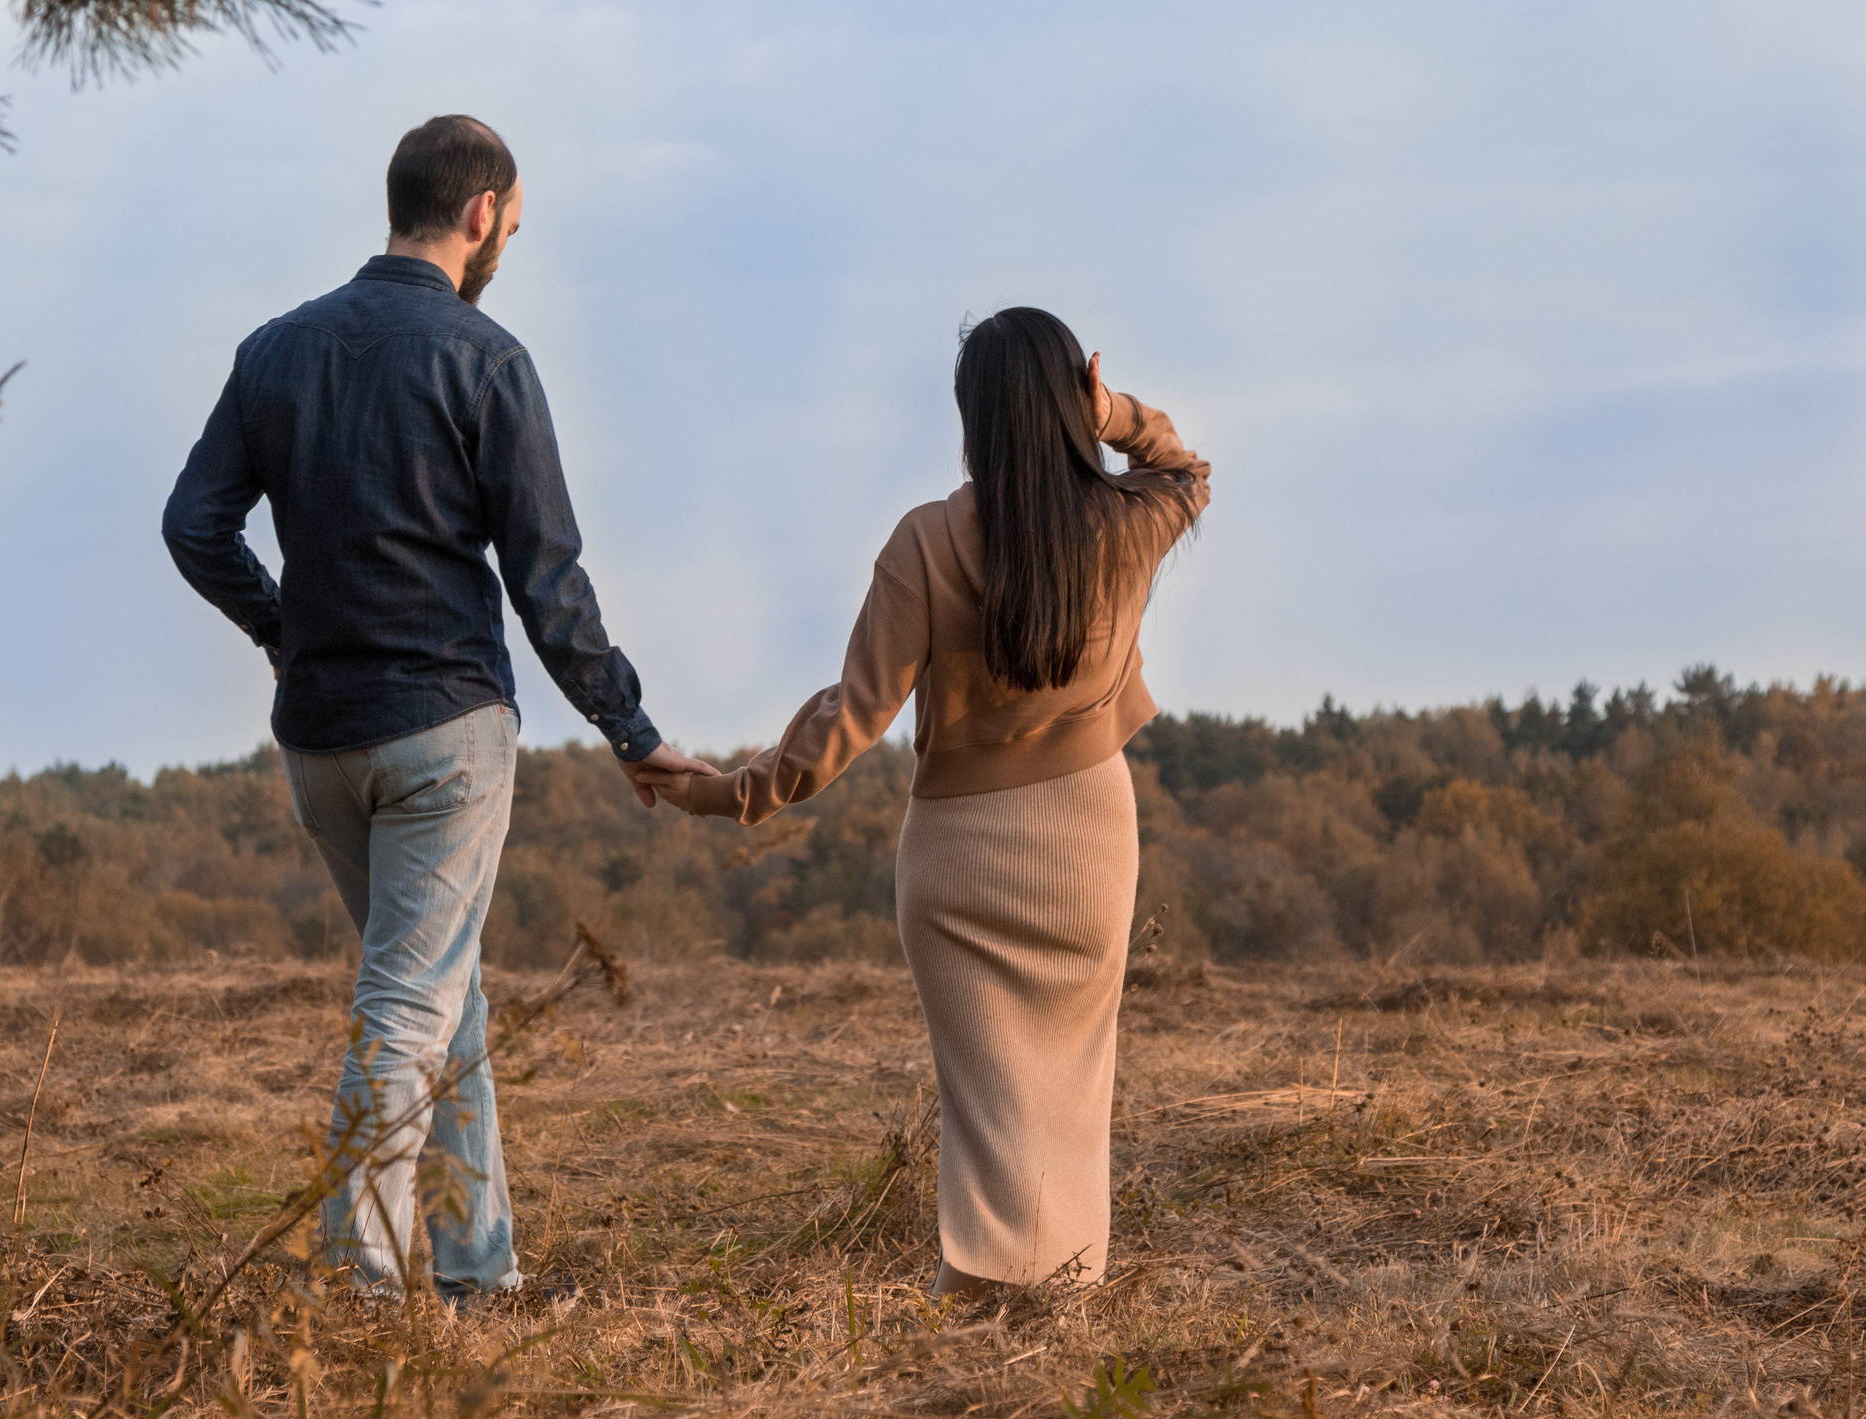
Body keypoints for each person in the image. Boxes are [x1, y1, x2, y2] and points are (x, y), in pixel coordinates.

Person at [161, 114, 717, 1300]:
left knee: (437, 990)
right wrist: (632, 730)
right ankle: (360, 1292)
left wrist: (278, 627)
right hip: (443, 735)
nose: (511, 237)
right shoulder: (489, 359)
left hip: (319, 740)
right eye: (513, 220)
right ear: (480, 214)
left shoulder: (273, 350)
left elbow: (192, 526)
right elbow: (547, 583)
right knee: (411, 1000)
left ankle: (476, 1272)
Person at [638, 307, 1209, 1295]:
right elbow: (1185, 472)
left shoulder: (926, 540)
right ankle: (1063, 1300)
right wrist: (1115, 414)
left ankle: (980, 1302)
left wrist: (722, 795)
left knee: (988, 1103)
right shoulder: (1125, 526)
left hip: (955, 863)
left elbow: (846, 720)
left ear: (971, 415)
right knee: (1073, 1093)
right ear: (1071, 403)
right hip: (1086, 850)